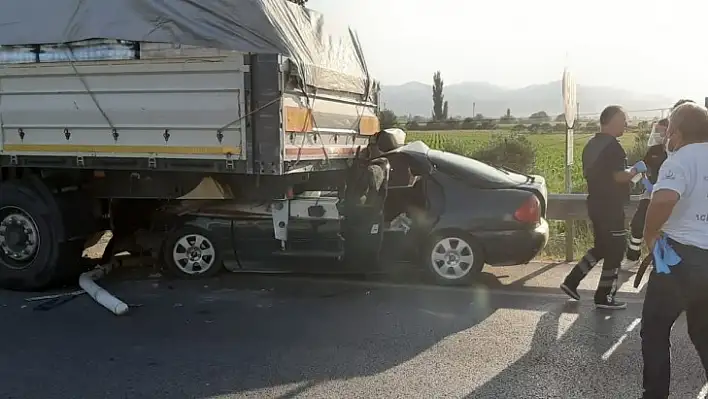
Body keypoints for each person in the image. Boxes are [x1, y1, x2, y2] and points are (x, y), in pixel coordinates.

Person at [640, 102, 708, 399]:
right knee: (703, 331)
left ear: (677, 133)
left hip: (680, 259)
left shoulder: (679, 160)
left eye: (669, 131)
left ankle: (655, 395)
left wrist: (650, 234)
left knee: (655, 330)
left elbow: (664, 199)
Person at [560, 105, 646, 310]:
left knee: (601, 247)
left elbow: (604, 175)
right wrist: (635, 170)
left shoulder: (592, 144)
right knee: (616, 249)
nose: (626, 123)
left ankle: (571, 281)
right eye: (623, 119)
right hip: (610, 206)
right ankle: (604, 296)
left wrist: (627, 177)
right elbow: (617, 176)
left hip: (596, 203)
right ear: (612, 120)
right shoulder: (613, 147)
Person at [623, 118, 669, 271]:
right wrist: (636, 180)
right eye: (658, 131)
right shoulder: (654, 150)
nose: (659, 134)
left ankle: (663, 260)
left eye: (662, 131)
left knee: (666, 228)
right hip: (649, 193)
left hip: (668, 195)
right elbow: (644, 167)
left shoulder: (677, 152)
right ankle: (632, 257)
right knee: (637, 223)